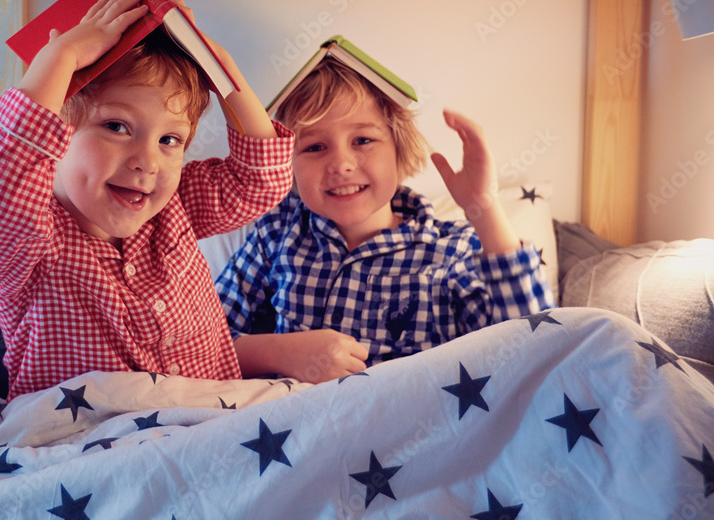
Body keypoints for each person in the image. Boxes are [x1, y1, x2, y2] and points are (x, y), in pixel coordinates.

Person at [0, 0, 294, 399]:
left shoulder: (175, 207)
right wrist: (62, 57)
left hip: (210, 434)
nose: (147, 162)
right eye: (116, 126)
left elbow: (263, 178)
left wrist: (217, 63)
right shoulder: (27, 247)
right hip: (95, 450)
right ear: (56, 135)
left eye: (170, 140)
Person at [216, 59, 554, 383]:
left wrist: (485, 208)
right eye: (315, 147)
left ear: (399, 150)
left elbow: (537, 351)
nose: (341, 164)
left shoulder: (453, 249)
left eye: (363, 140)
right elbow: (200, 340)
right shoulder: (277, 233)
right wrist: (280, 353)